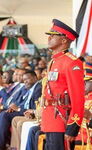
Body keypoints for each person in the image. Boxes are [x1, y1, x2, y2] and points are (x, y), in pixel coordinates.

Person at [41, 19, 85, 150]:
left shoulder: (72, 63)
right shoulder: (54, 61)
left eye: (53, 35)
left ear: (64, 40)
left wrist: (73, 125)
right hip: (50, 118)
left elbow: (77, 97)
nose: (49, 38)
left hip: (61, 119)